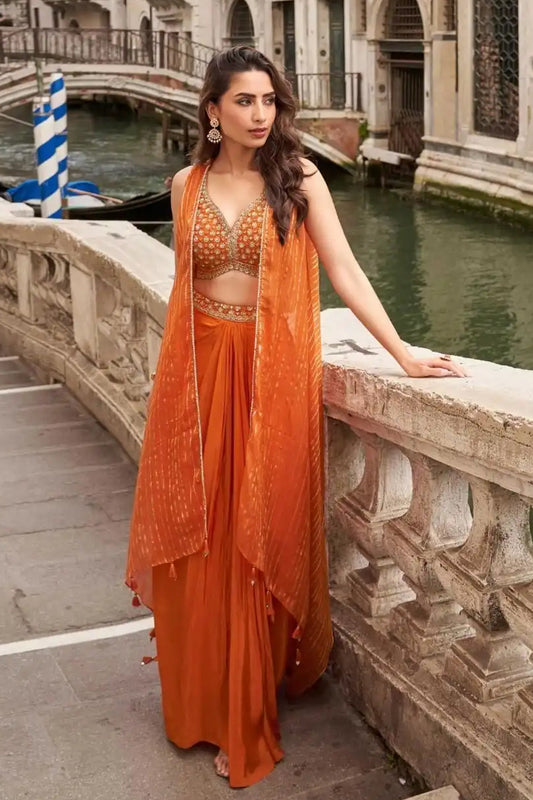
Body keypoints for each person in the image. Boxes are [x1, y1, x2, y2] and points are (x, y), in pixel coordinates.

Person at [126, 46, 467, 789]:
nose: (260, 115)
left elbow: (343, 271)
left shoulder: (299, 178)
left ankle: (244, 717)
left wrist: (403, 352)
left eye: (269, 101)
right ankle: (200, 700)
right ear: (212, 111)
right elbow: (184, 293)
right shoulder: (184, 185)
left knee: (254, 539)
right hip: (198, 383)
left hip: (267, 379)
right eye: (243, 101)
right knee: (203, 543)